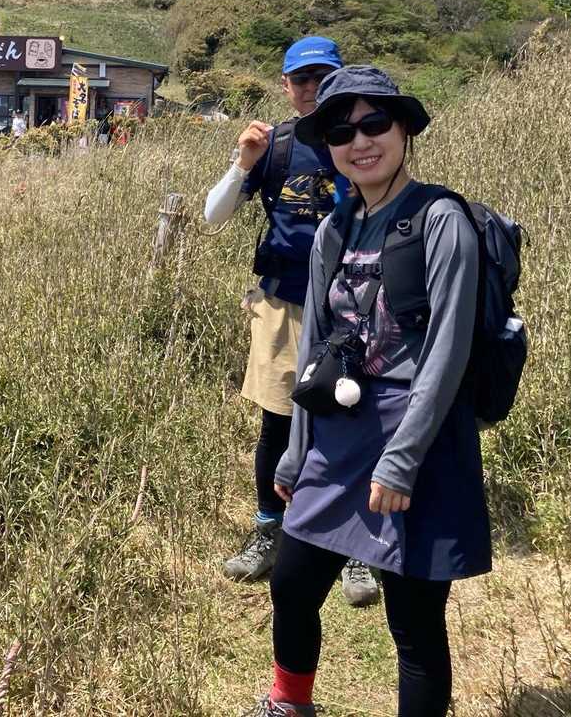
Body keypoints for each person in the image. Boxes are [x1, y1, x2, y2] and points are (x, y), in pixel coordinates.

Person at [245, 65, 490, 717]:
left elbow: (448, 353)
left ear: (404, 128)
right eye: (341, 131)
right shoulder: (335, 229)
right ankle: (289, 705)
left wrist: (402, 460)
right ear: (327, 146)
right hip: (338, 433)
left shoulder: (441, 221)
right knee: (293, 583)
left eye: (374, 123)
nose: (360, 141)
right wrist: (296, 451)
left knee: (413, 622)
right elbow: (315, 348)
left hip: (419, 436)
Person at [204, 36, 378, 607]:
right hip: (283, 303)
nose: (311, 88)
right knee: (278, 421)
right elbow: (212, 216)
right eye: (301, 79)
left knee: (357, 419)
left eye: (322, 78)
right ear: (285, 85)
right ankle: (269, 530)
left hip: (356, 304)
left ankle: (357, 545)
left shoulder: (360, 140)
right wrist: (243, 161)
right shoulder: (275, 145)